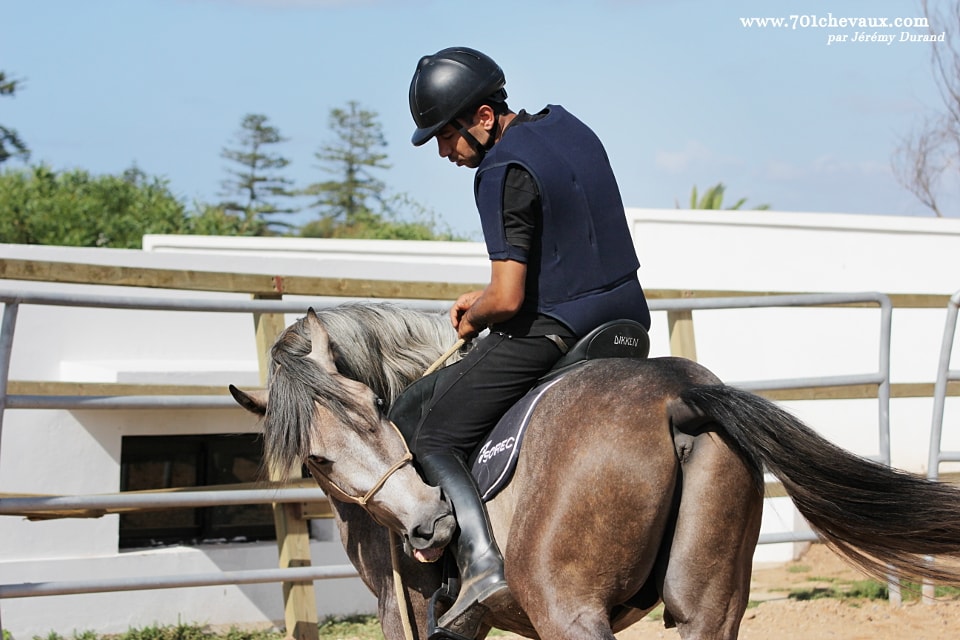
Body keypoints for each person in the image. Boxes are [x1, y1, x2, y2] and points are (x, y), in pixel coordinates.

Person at [406, 46, 651, 638]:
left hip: (555, 327)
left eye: (445, 135)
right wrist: (485, 298)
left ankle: (481, 565)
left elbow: (510, 298)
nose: (444, 151)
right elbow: (562, 245)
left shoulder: (498, 172)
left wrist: (476, 312)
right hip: (630, 319)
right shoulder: (572, 127)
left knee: (430, 429)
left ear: (484, 118)